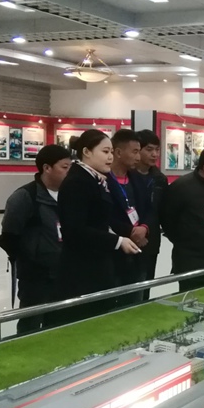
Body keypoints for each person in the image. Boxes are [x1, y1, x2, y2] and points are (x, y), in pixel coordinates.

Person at [55, 130, 141, 322]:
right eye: (105, 151)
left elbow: (100, 219)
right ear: (87, 152)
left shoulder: (96, 179)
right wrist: (117, 241)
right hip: (81, 270)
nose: (110, 157)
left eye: (111, 152)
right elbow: (75, 230)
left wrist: (123, 233)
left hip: (97, 264)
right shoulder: (77, 182)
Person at [0, 145, 71, 333]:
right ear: (47, 168)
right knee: (31, 325)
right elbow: (9, 236)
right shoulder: (25, 197)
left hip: (64, 272)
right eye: (65, 167)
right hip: (35, 278)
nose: (69, 172)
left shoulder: (70, 195)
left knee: (59, 324)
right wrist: (33, 256)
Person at [160, 147, 204, 291]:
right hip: (191, 257)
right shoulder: (182, 187)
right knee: (190, 295)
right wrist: (184, 240)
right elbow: (167, 218)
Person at [106, 129, 150, 306]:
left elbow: (149, 208)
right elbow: (104, 215)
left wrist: (144, 228)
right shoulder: (103, 180)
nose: (139, 157)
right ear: (118, 152)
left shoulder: (137, 179)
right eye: (135, 152)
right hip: (112, 252)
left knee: (135, 303)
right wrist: (130, 231)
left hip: (138, 251)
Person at [134, 129, 167, 288]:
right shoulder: (126, 175)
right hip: (128, 237)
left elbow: (161, 210)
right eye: (149, 149)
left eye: (157, 150)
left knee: (146, 284)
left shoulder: (160, 179)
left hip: (151, 240)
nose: (154, 154)